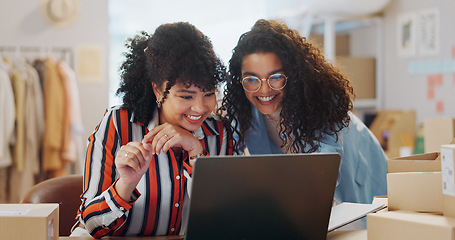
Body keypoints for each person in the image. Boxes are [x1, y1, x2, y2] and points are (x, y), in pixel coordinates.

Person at [72, 22, 233, 238]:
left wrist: (197, 152)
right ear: (157, 89)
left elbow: (224, 219)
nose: (200, 107)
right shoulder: (118, 124)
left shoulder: (219, 133)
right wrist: (126, 184)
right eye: (186, 96)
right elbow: (90, 223)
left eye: (209, 93)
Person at [221, 19, 387, 205]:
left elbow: (322, 176)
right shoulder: (244, 113)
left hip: (366, 185)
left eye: (276, 77)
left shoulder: (322, 104)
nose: (264, 90)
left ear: (293, 74)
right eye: (251, 79)